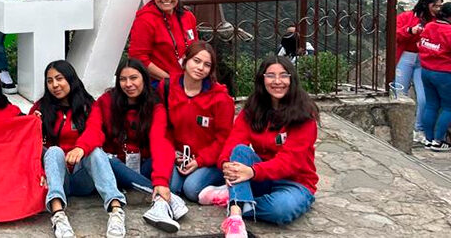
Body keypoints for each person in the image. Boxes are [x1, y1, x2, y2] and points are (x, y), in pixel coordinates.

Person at [201, 56, 319, 237]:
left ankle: (233, 198)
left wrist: (253, 172)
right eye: (271, 75)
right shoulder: (253, 109)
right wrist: (225, 163)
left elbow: (291, 161)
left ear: (292, 79)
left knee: (281, 210)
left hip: (296, 183)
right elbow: (234, 140)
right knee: (239, 151)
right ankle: (235, 218)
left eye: (283, 75)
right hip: (263, 179)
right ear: (262, 79)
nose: (277, 81)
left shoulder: (304, 114)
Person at [74, 60, 187, 233]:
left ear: (144, 78)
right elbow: (94, 129)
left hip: (143, 164)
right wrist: (82, 147)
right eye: (123, 79)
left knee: (167, 155)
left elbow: (160, 141)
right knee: (105, 158)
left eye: (134, 78)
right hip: (117, 169)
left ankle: (161, 199)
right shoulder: (106, 101)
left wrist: (161, 181)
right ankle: (166, 200)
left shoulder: (154, 105)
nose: (128, 84)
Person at [31, 60, 127, 238]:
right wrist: (40, 172)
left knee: (96, 151)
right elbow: (29, 143)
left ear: (70, 79)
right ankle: (58, 215)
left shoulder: (88, 105)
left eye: (59, 79)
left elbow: (95, 132)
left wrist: (80, 149)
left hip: (83, 176)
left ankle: (116, 210)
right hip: (59, 179)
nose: (55, 85)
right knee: (54, 151)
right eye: (50, 81)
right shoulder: (40, 107)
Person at [161, 42, 233, 202]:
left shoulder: (220, 98)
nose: (201, 68)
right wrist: (171, 152)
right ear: (185, 61)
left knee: (191, 189)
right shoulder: (167, 87)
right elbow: (162, 127)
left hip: (210, 159)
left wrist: (199, 161)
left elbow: (224, 139)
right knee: (171, 187)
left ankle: (224, 188)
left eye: (207, 65)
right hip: (180, 156)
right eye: (196, 61)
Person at [128, 0, 198, 82]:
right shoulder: (145, 20)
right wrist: (170, 80)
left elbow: (195, 47)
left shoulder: (188, 16)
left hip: (188, 79)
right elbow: (138, 58)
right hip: (160, 83)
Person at [397, 0, 443, 142]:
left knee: (423, 98)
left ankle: (418, 128)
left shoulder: (437, 21)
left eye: (439, 6)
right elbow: (395, 33)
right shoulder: (407, 17)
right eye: (435, 5)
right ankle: (400, 130)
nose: (437, 9)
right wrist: (410, 31)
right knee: (399, 93)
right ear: (426, 4)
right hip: (406, 56)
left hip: (423, 59)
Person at [419, 2, 451, 150]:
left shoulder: (429, 26)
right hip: (444, 73)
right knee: (448, 107)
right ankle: (439, 141)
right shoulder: (449, 32)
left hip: (426, 71)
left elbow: (421, 44)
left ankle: (428, 139)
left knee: (431, 105)